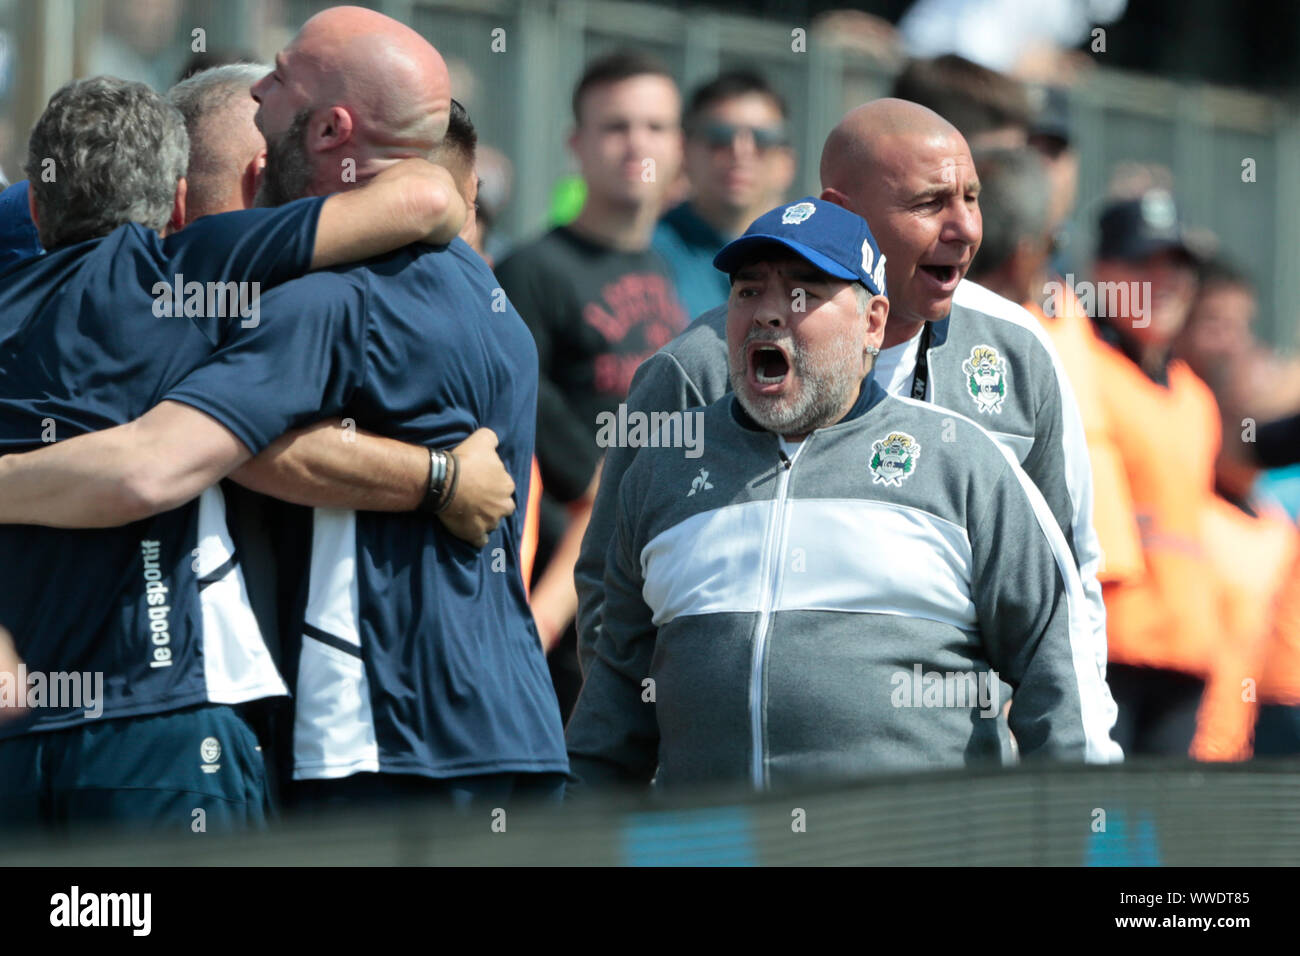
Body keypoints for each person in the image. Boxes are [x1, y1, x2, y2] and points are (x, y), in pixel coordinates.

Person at [0, 6, 569, 811]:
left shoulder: (312, 299)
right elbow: (426, 201)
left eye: (280, 78)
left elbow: (164, 457)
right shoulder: (484, 291)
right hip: (505, 726)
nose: (264, 89)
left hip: (384, 744)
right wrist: (438, 476)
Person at [575, 100, 1115, 746]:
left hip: (945, 814)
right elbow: (613, 599)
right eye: (929, 204)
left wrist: (1070, 783)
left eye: (971, 198)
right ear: (842, 208)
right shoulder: (696, 370)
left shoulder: (1019, 352)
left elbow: (1069, 585)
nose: (967, 227)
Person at [495, 51, 688, 720]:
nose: (638, 143)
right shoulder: (532, 269)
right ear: (577, 143)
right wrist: (595, 482)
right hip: (565, 582)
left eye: (657, 127)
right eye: (616, 127)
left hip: (651, 573)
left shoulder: (664, 266)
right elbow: (522, 393)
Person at [967, 146, 1145, 594]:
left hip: (1089, 566)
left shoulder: (1059, 309)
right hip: (1052, 577)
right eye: (1055, 242)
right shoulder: (1029, 326)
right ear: (1026, 255)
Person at [1088, 189, 1222, 755]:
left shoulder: (1195, 396)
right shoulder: (1078, 360)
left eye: (1178, 266)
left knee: (1163, 838)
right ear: (1102, 272)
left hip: (1187, 652)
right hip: (1107, 647)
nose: (1164, 281)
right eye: (1144, 264)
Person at [651, 70, 796, 319]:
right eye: (720, 136)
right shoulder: (648, 253)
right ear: (684, 151)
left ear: (786, 162)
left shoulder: (810, 262)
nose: (741, 151)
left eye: (761, 139)